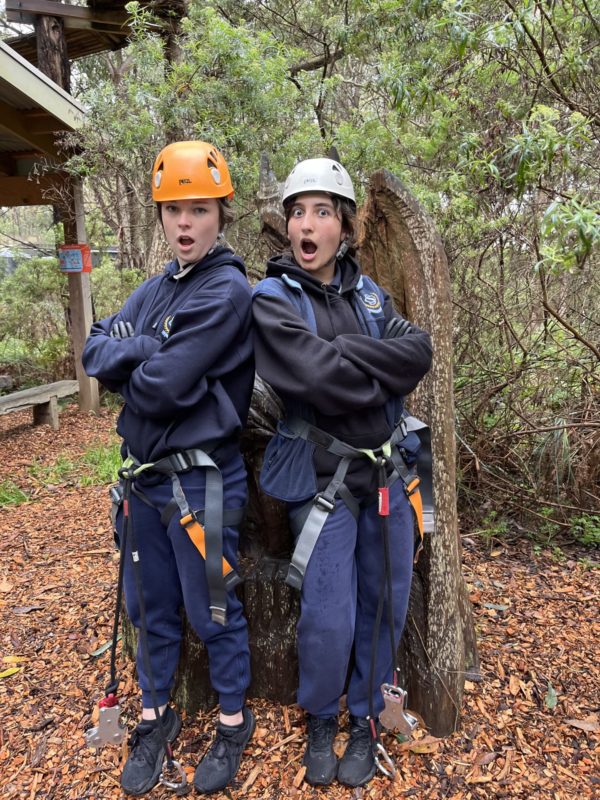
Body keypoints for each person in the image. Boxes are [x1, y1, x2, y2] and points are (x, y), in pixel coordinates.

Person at [252, 158, 433, 788]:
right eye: (297, 211)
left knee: (385, 602)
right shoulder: (273, 299)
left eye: (322, 212)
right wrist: (374, 364)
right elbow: (314, 377)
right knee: (327, 613)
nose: (307, 223)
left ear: (344, 227)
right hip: (322, 475)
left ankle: (364, 717)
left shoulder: (370, 294)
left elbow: (419, 351)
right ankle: (323, 716)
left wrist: (354, 352)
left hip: (383, 474)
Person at [82, 141, 255, 796]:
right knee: (147, 602)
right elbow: (95, 352)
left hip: (202, 481)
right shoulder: (154, 290)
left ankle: (234, 720)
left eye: (200, 209)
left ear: (220, 215)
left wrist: (144, 353)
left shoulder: (227, 291)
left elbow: (160, 389)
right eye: (174, 209)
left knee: (211, 608)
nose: (185, 223)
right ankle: (156, 714)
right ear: (160, 216)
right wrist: (148, 348)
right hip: (145, 482)